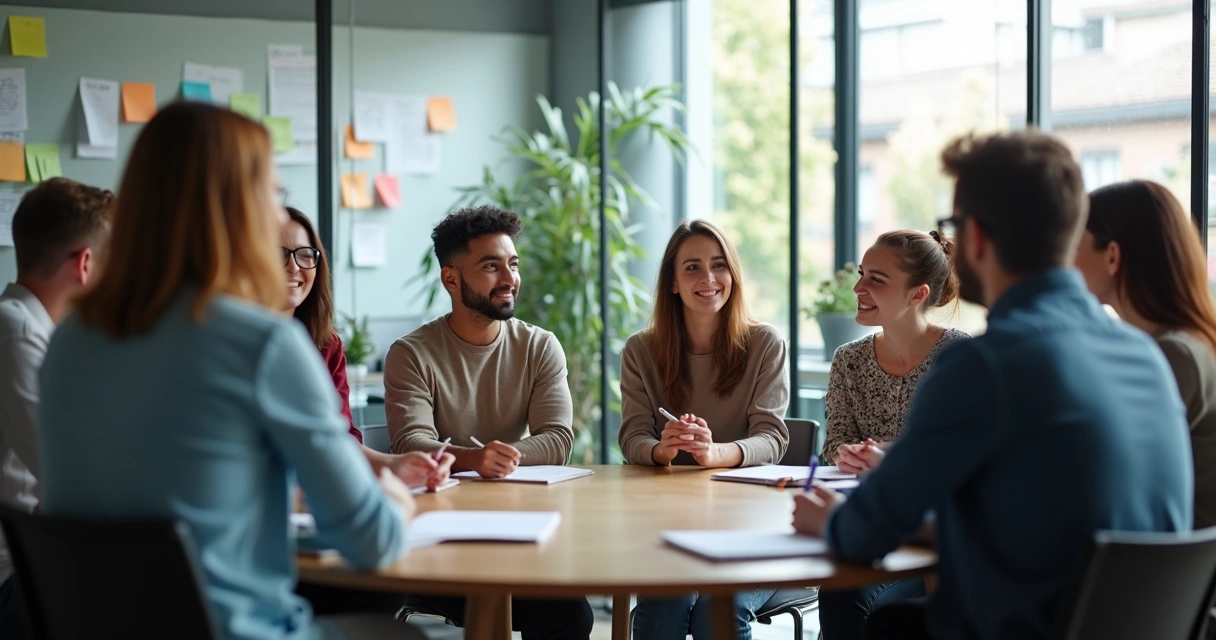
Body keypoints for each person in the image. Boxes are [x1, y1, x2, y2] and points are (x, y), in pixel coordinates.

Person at [37, 102, 422, 640]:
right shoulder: (263, 343)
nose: (276, 212)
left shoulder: (70, 341)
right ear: (239, 208)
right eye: (272, 194)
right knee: (399, 633)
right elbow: (372, 542)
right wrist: (398, 501)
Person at [791, 130, 1193, 640]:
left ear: (976, 236)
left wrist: (829, 522)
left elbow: (863, 534)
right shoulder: (1145, 356)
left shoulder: (984, 366)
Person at [384, 205, 591, 640]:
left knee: (571, 616)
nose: (509, 278)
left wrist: (500, 458)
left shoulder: (540, 347)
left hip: (520, 530)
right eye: (491, 266)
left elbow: (557, 439)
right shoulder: (411, 354)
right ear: (451, 280)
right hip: (440, 540)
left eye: (512, 264)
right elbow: (410, 442)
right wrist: (473, 459)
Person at [617, 219, 789, 640]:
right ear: (673, 283)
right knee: (660, 612)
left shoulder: (765, 343)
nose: (709, 278)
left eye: (719, 265)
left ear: (732, 273)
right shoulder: (641, 350)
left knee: (718, 612)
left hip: (752, 525)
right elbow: (632, 436)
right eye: (692, 267)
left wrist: (716, 454)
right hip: (672, 523)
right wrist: (663, 448)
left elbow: (773, 438)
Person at [816, 230, 968, 639]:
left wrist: (893, 459)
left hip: (930, 538)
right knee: (841, 586)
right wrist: (847, 453)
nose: (858, 288)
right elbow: (835, 442)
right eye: (862, 274)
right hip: (866, 520)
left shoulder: (961, 359)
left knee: (844, 593)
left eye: (876, 280)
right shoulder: (848, 359)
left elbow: (963, 460)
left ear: (918, 294)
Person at [0, 178, 114, 640]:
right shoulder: (18, 333)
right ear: (86, 264)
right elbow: (70, 472)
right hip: (16, 573)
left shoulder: (38, 331)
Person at [1074, 179, 1216, 529]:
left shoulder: (1173, 355)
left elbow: (1107, 476)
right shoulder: (1187, 343)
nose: (1065, 263)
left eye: (1074, 246)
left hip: (1164, 572)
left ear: (1112, 256)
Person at [280, 206, 452, 492]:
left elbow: (338, 439)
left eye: (306, 254)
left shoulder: (325, 345)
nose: (295, 267)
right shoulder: (228, 342)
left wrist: (395, 465)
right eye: (279, 254)